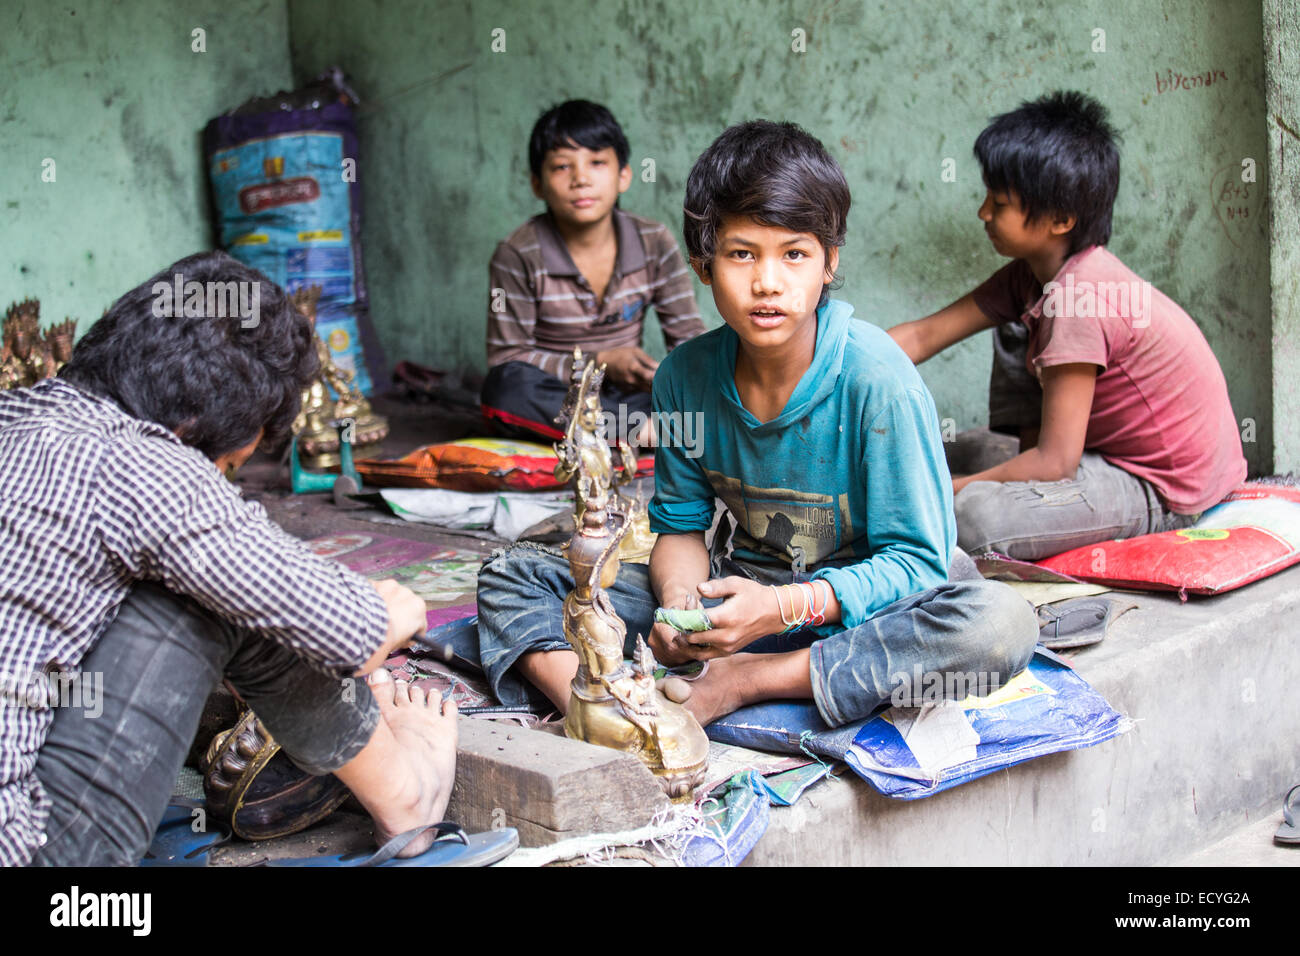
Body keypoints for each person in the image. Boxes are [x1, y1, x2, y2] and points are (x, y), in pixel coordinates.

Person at [476, 121, 1038, 730]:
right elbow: (682, 527)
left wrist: (784, 607)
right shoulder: (683, 378)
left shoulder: (879, 380)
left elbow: (917, 562)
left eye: (794, 254)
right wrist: (680, 609)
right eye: (742, 254)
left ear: (829, 263)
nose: (767, 282)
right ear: (703, 265)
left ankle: (747, 683)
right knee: (517, 574)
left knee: (998, 625)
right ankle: (607, 716)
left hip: (862, 614)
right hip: (737, 599)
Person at [0, 251, 457, 866]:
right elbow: (354, 635)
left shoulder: (17, 414)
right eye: (229, 469)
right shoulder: (147, 468)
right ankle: (407, 794)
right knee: (216, 593)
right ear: (190, 430)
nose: (224, 485)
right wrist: (393, 607)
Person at [888, 91, 1246, 560]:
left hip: (1164, 488)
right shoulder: (1031, 273)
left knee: (971, 516)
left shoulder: (1079, 299)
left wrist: (952, 490)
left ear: (1061, 219)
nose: (983, 214)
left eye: (998, 202)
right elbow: (922, 335)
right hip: (1088, 455)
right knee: (950, 446)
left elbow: (1056, 463)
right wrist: (821, 365)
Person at [481, 99, 704, 446]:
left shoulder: (653, 242)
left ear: (624, 176)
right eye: (561, 167)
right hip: (555, 395)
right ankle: (640, 433)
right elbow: (507, 359)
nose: (581, 179)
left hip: (628, 396)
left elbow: (687, 337)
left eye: (597, 162)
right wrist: (598, 362)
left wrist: (663, 375)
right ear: (537, 184)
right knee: (503, 389)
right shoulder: (518, 253)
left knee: (707, 381)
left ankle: (622, 431)